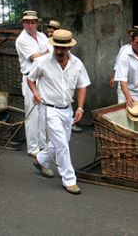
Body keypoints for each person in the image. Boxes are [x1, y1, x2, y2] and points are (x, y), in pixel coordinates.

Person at [27, 29, 90, 195]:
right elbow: (30, 79)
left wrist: (80, 107)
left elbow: (83, 85)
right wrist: (36, 93)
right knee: (61, 143)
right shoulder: (42, 62)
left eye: (63, 48)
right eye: (57, 47)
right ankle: (69, 180)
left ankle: (40, 160)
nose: (59, 51)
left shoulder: (77, 64)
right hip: (48, 109)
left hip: (67, 109)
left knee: (60, 142)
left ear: (69, 48)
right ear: (53, 46)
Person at [15, 10, 50, 156]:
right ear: (23, 23)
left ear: (37, 23)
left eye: (33, 22)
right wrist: (48, 53)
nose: (30, 25)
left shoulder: (42, 36)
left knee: (43, 113)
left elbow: (50, 52)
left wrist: (46, 53)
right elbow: (35, 58)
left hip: (42, 78)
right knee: (33, 114)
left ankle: (43, 144)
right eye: (27, 22)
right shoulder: (21, 40)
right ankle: (33, 148)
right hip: (30, 78)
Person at [110, 25, 138, 104]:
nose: (131, 34)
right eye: (131, 32)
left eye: (134, 32)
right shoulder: (123, 49)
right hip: (123, 83)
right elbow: (117, 64)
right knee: (122, 106)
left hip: (136, 85)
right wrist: (113, 77)